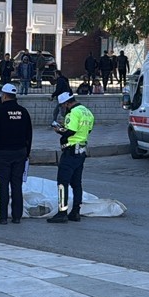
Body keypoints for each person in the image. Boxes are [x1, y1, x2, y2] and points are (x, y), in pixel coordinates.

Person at [0, 83, 32, 224]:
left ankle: (2, 217)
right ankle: (17, 216)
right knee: (16, 185)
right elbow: (29, 135)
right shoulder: (23, 111)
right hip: (20, 153)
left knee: (3, 186)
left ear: (4, 95)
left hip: (3, 153)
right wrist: (26, 153)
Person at [47, 92, 94, 223]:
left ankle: (62, 212)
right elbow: (87, 130)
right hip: (81, 151)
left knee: (63, 183)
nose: (63, 108)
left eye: (63, 105)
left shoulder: (72, 113)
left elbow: (70, 131)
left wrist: (59, 129)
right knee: (76, 183)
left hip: (70, 152)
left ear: (67, 103)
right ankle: (75, 212)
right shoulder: (86, 111)